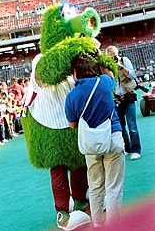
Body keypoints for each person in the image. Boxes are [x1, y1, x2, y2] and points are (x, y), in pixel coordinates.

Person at [65, 53, 125, 228]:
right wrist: (99, 57)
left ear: (75, 72)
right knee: (114, 188)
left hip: (91, 145)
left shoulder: (72, 96)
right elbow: (109, 72)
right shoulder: (105, 82)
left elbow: (72, 125)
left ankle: (98, 224)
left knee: (95, 186)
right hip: (112, 138)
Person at [106, 46, 141, 160]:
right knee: (121, 127)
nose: (114, 58)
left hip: (128, 97)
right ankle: (127, 148)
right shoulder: (107, 66)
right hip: (116, 99)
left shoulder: (125, 61)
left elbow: (132, 75)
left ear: (118, 54)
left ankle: (136, 150)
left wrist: (120, 67)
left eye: (115, 55)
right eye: (111, 57)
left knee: (132, 126)